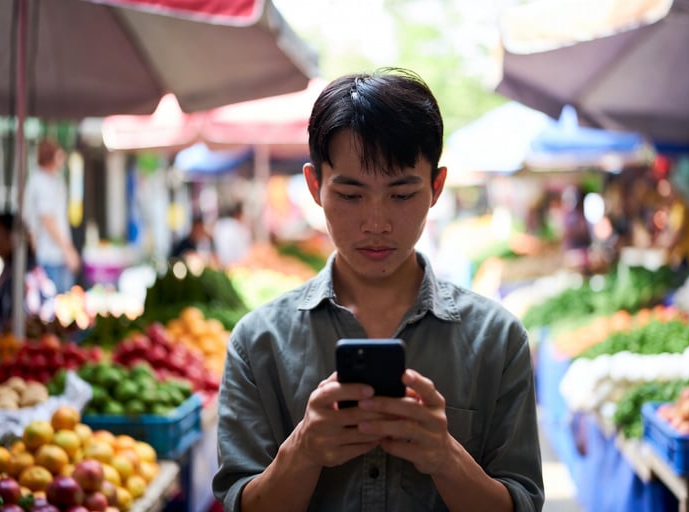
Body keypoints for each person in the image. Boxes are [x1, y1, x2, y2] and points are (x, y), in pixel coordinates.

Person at [212, 68, 544, 512]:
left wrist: (444, 457)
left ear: (435, 188)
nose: (376, 223)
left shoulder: (497, 339)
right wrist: (304, 451)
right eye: (350, 195)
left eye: (402, 194)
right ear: (315, 186)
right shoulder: (258, 343)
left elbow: (521, 503)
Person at [22, 139, 80, 294]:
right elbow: (47, 219)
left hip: (54, 254)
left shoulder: (51, 180)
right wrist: (68, 249)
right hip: (50, 255)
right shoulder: (41, 182)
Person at [212, 204, 251, 268]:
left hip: (222, 265)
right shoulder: (238, 228)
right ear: (239, 214)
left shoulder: (219, 225)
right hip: (235, 266)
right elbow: (244, 253)